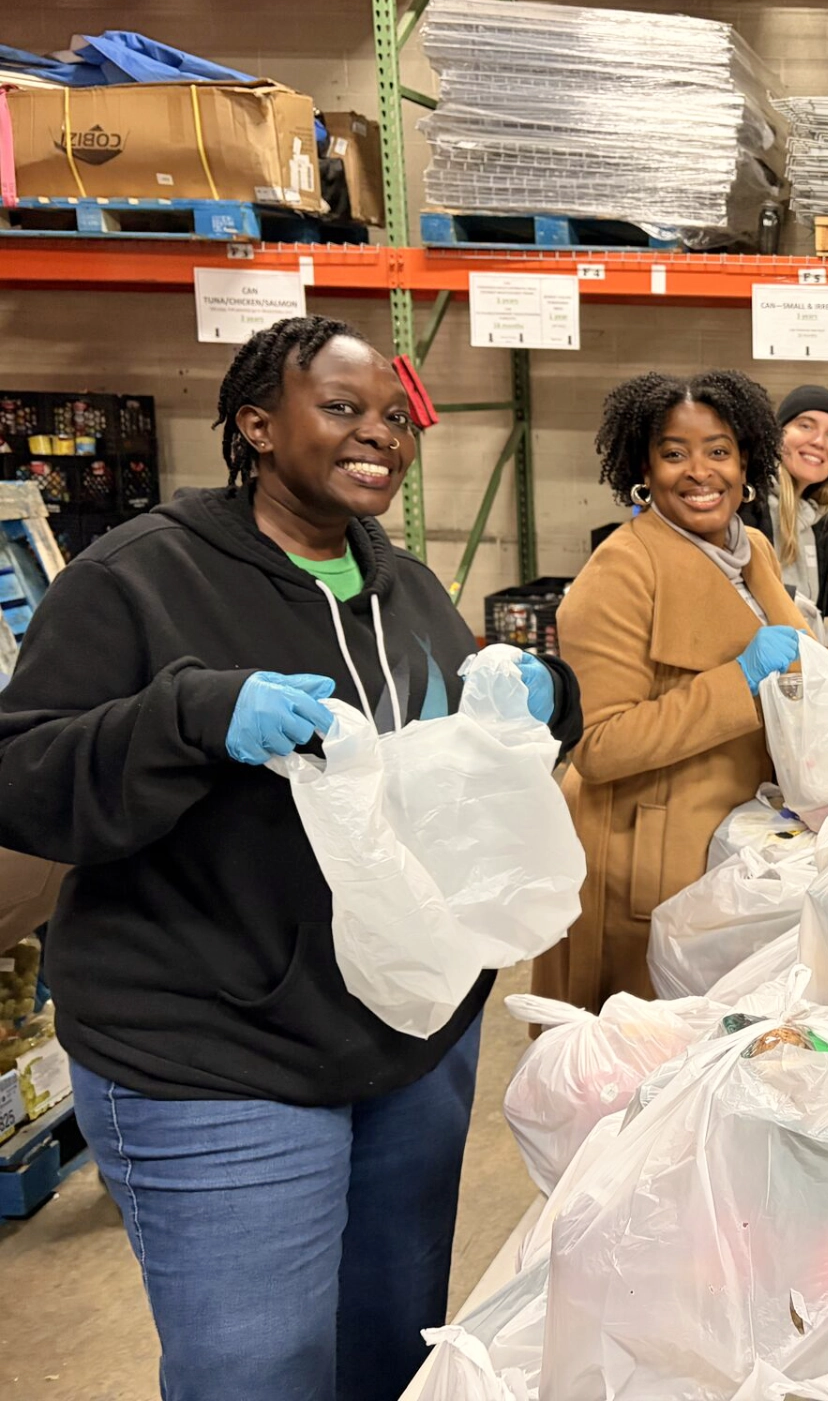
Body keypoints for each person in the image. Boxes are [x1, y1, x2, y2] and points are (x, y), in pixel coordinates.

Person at [0, 315, 583, 1401]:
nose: (380, 436)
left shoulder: (401, 590)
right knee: (256, 1370)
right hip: (214, 1051)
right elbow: (21, 774)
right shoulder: (143, 577)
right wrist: (190, 717)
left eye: (393, 417)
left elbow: (461, 780)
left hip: (401, 1045)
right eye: (344, 409)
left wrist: (545, 707)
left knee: (386, 1350)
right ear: (258, 426)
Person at [533, 370, 808, 1012]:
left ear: (747, 463)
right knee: (635, 1064)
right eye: (673, 453)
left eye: (718, 451)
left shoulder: (754, 550)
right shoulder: (622, 569)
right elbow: (598, 746)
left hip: (735, 840)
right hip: (646, 859)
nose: (699, 471)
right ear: (644, 469)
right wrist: (737, 681)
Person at [740, 383, 828, 622]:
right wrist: (783, 598)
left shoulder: (823, 519)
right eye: (805, 425)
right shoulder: (745, 500)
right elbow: (723, 583)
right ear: (777, 435)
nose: (819, 441)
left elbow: (805, 599)